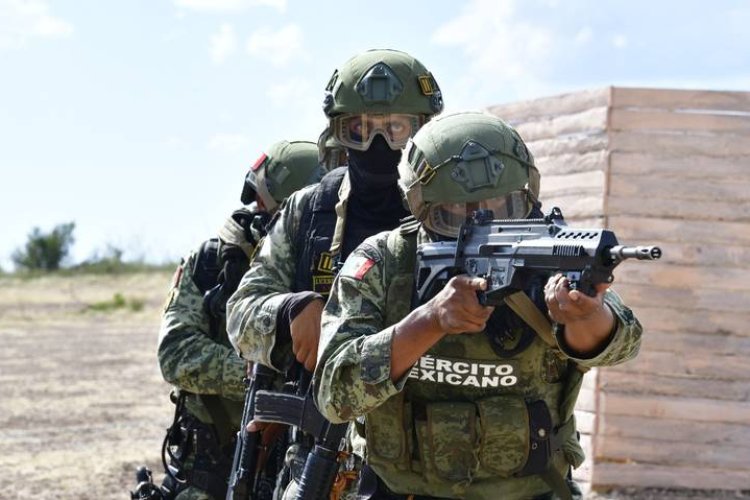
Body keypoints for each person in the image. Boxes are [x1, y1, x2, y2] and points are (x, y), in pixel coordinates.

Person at [314, 111, 644, 500]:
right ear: (423, 208)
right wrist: (430, 321)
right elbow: (334, 395)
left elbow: (623, 343)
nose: (483, 221)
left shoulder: (551, 251)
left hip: (531, 491)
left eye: (501, 206)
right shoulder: (385, 263)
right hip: (400, 489)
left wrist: (586, 318)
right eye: (458, 213)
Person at [226, 48, 444, 499]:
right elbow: (240, 314)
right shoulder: (310, 211)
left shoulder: (452, 213)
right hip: (325, 462)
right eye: (361, 130)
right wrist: (290, 311)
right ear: (339, 133)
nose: (380, 145)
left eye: (397, 129)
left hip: (429, 461)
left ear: (424, 131)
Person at [155, 140, 326, 500]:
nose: (254, 213)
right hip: (211, 467)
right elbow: (175, 352)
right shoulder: (210, 264)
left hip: (303, 468)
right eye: (257, 204)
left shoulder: (330, 273)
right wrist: (261, 378)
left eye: (265, 205)